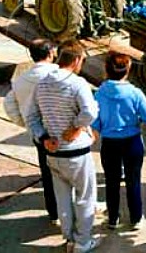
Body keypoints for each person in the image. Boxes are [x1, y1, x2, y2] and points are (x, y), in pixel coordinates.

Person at [26, 40, 100, 253]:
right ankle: (83, 241)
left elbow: (31, 117)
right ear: (76, 60)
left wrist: (43, 138)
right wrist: (77, 126)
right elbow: (90, 112)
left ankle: (69, 238)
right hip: (76, 152)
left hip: (53, 151)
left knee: (63, 198)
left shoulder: (42, 83)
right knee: (85, 197)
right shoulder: (77, 84)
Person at [92, 52, 146, 230]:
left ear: (106, 70)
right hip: (132, 141)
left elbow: (94, 122)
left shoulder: (99, 93)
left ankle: (113, 218)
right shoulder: (135, 93)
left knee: (111, 181)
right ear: (128, 70)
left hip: (109, 143)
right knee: (133, 180)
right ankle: (136, 217)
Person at [3, 39, 59, 224]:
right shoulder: (59, 75)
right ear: (50, 53)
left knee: (47, 173)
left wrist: (26, 123)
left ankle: (54, 213)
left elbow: (9, 104)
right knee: (71, 175)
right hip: (63, 133)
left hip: (40, 135)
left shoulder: (21, 80)